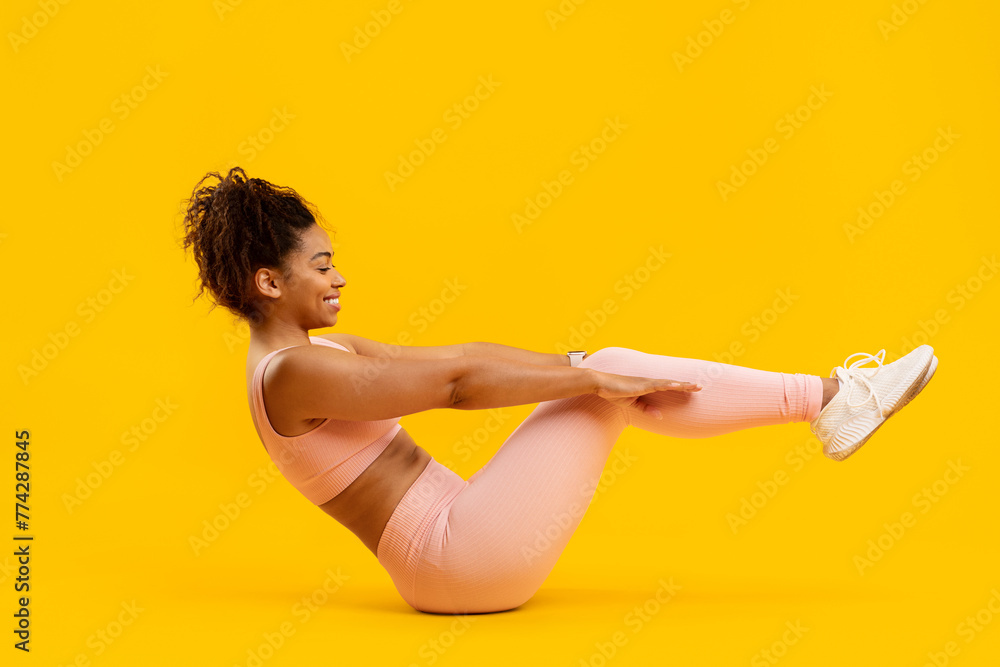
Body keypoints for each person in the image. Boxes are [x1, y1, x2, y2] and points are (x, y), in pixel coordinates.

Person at [178, 167, 938, 615]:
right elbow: (454, 382)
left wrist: (577, 363)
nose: (339, 276)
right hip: (455, 558)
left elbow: (444, 358)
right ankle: (831, 398)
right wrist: (588, 370)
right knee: (603, 371)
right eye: (321, 265)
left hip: (457, 542)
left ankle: (829, 399)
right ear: (269, 281)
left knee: (602, 370)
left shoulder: (315, 353)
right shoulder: (292, 374)